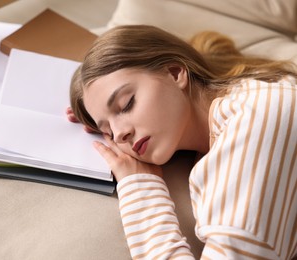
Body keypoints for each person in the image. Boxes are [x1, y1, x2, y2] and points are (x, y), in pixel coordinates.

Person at [67, 25, 297, 259]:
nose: (120, 134)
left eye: (127, 104)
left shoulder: (258, 121)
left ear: (176, 73)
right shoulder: (250, 98)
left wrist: (138, 186)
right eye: (107, 131)